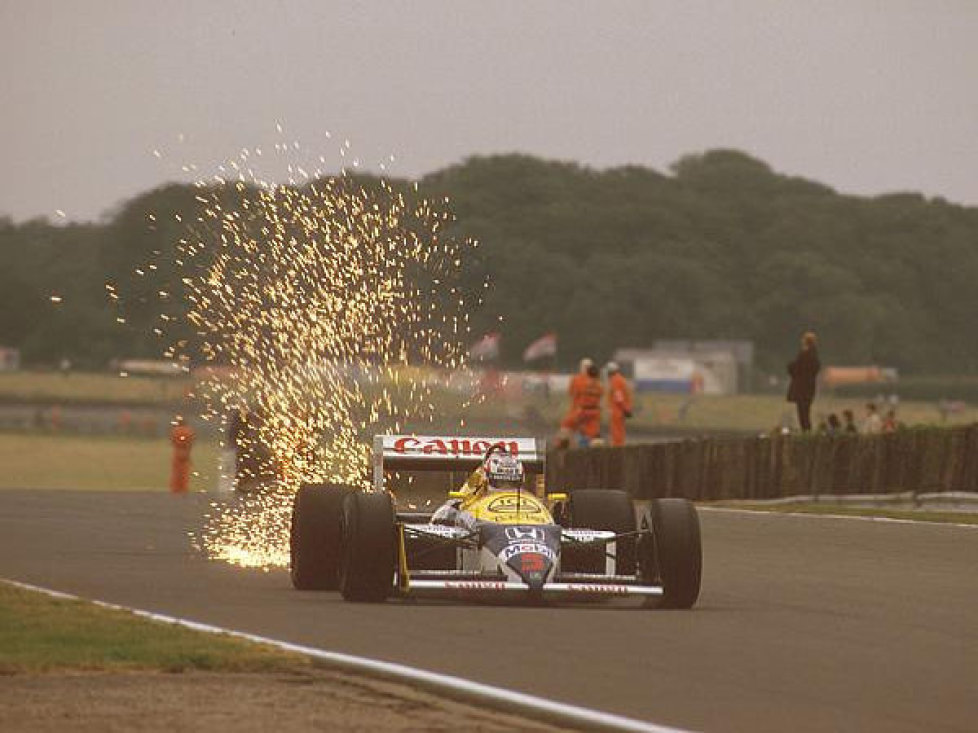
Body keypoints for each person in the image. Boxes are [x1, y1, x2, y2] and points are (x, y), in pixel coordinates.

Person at [786, 331, 821, 433]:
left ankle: (806, 432)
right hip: (810, 388)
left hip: (801, 389)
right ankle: (807, 431)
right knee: (806, 411)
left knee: (802, 413)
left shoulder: (804, 355)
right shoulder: (815, 356)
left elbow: (795, 368)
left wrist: (790, 366)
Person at [561, 358, 593, 434]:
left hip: (578, 410)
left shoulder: (576, 379)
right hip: (588, 411)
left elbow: (571, 393)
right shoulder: (594, 381)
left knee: (566, 427)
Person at [605, 361, 633, 447]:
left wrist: (626, 409)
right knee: (620, 433)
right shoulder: (621, 379)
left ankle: (617, 451)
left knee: (616, 434)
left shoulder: (615, 380)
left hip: (617, 411)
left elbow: (618, 397)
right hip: (620, 410)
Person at [576, 363, 604, 446]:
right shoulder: (599, 386)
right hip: (595, 411)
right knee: (594, 434)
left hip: (584, 410)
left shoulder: (583, 384)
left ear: (587, 373)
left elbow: (578, 397)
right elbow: (601, 400)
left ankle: (583, 450)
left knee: (583, 433)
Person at [169, 415, 195, 494]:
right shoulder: (189, 431)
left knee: (176, 472)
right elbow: (191, 442)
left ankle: (175, 488)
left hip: (177, 452)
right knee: (184, 472)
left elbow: (172, 441)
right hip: (186, 451)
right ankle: (184, 489)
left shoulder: (175, 431)